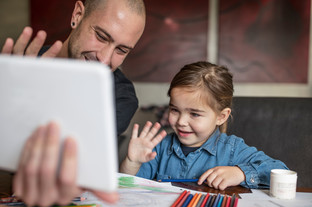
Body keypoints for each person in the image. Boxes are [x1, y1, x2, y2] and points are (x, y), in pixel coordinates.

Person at [0, 0, 146, 207]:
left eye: (122, 50)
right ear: (78, 15)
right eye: (101, 36)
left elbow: (79, 164)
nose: (105, 59)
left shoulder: (120, 98)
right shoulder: (17, 67)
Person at [120, 61, 288, 190]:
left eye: (194, 114)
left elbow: (282, 173)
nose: (181, 122)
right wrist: (132, 162)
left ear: (221, 116)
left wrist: (240, 173)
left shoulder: (232, 149)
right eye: (175, 110)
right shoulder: (159, 147)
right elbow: (125, 189)